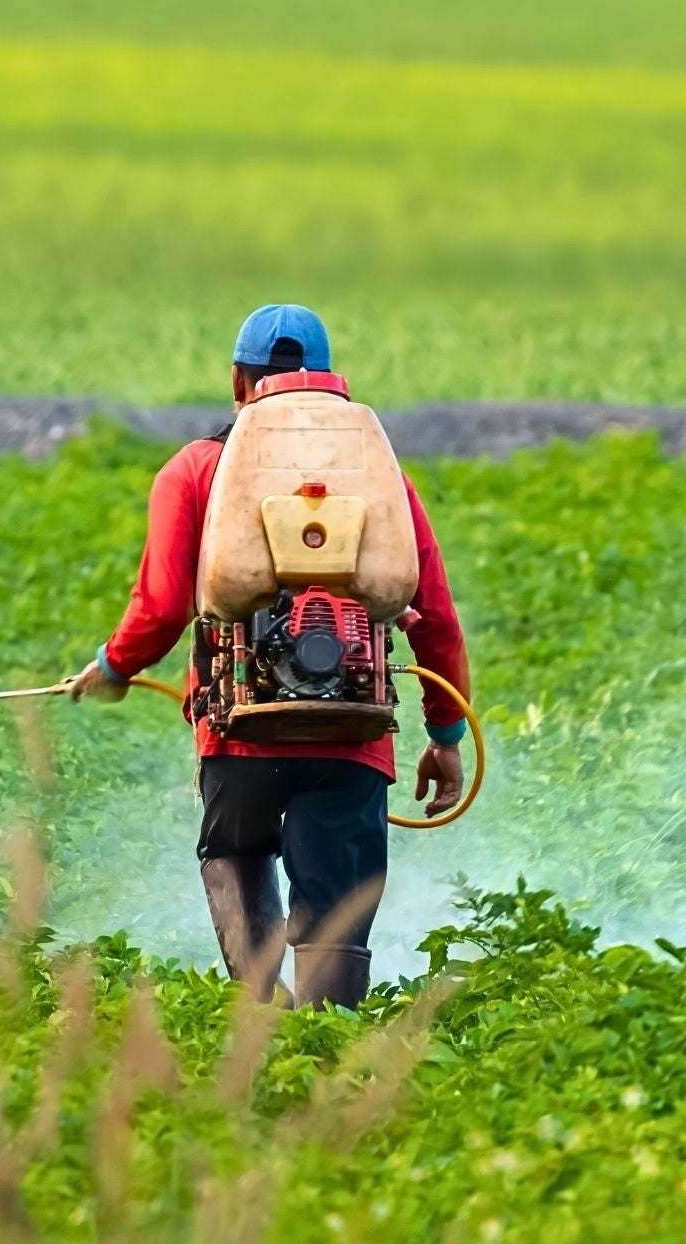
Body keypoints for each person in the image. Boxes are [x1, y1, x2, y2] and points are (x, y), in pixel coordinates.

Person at [64, 304, 472, 1010]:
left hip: (239, 731)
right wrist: (444, 736)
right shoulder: (381, 483)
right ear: (328, 385)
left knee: (236, 856)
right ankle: (329, 1047)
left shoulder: (194, 471)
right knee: (335, 906)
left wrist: (113, 667)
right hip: (354, 733)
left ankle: (265, 1022)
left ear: (237, 382)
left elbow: (161, 607)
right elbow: (431, 614)